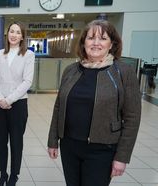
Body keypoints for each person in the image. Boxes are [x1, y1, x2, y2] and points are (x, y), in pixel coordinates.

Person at [47, 19, 141, 186]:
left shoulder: (123, 72)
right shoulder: (71, 71)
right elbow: (59, 107)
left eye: (103, 38)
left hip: (103, 149)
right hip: (70, 146)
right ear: (83, 43)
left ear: (112, 44)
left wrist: (122, 157)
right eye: (91, 38)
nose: (96, 43)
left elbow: (132, 118)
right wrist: (53, 141)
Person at [0, 21, 35, 186]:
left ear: (22, 36)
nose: (14, 35)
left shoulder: (28, 55)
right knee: (0, 140)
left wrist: (8, 100)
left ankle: (14, 175)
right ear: (7, 34)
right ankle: (3, 173)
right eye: (11, 31)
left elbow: (27, 82)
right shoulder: (0, 53)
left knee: (16, 141)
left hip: (18, 104)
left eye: (17, 32)